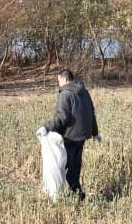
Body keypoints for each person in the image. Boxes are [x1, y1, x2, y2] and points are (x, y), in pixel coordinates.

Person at [36, 69, 100, 200]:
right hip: (82, 136)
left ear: (65, 79)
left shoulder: (65, 94)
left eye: (58, 80)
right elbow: (91, 112)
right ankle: (77, 194)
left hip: (70, 136)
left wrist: (46, 127)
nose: (58, 83)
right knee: (75, 166)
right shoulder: (84, 92)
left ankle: (62, 195)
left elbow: (62, 117)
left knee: (62, 167)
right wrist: (95, 132)